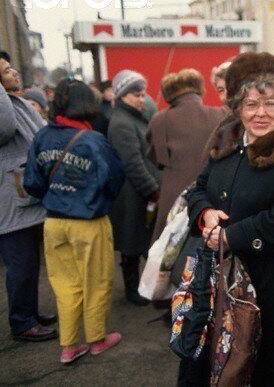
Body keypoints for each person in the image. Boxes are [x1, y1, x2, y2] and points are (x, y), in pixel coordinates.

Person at [181, 52, 274, 386]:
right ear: (238, 107)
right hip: (220, 280)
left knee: (262, 368)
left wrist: (231, 236)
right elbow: (198, 188)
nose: (261, 113)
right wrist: (205, 214)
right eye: (251, 104)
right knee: (212, 359)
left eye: (270, 103)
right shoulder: (227, 140)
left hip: (271, 288)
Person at [23, 79, 125, 364]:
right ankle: (96, 338)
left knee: (64, 284)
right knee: (97, 281)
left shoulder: (42, 137)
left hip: (54, 222)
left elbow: (32, 182)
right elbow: (115, 178)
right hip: (89, 222)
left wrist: (56, 195)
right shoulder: (94, 141)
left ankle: (68, 345)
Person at [0, 51, 57, 342]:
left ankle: (29, 313)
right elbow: (5, 128)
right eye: (7, 71)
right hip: (11, 200)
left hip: (23, 195)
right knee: (21, 264)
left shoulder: (14, 99)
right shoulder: (4, 105)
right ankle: (22, 322)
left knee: (30, 262)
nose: (14, 73)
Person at [146, 68, 227, 245]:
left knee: (167, 252)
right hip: (210, 197)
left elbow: (157, 159)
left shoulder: (159, 120)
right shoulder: (220, 115)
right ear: (200, 91)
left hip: (173, 195)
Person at [108, 70, 161, 306]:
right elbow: (132, 163)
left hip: (139, 193)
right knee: (132, 245)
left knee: (140, 242)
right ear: (122, 95)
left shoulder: (130, 118)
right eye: (136, 95)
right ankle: (132, 289)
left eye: (143, 94)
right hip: (132, 195)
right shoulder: (121, 122)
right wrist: (153, 189)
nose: (142, 99)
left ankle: (143, 287)